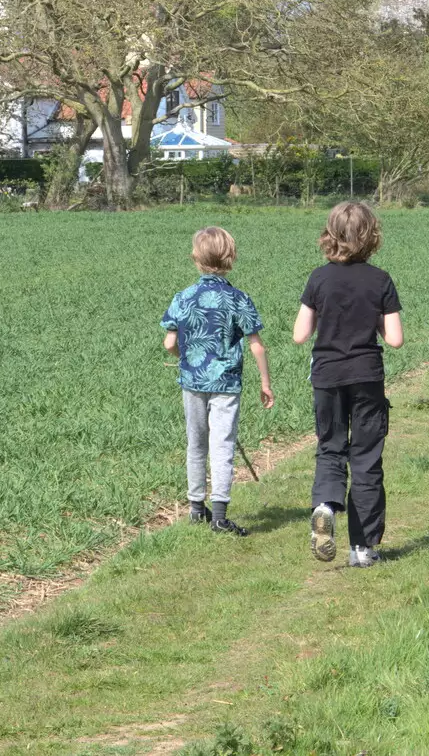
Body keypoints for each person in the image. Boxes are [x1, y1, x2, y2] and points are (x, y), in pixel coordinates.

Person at [292, 201, 403, 567]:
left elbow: (299, 334)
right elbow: (395, 339)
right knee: (367, 459)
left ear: (330, 234)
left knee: (331, 447)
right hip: (367, 376)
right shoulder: (380, 280)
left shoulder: (317, 278)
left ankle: (325, 504)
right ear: (372, 235)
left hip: (327, 377)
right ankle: (363, 549)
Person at [162, 226, 274, 536]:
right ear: (230, 258)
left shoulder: (183, 298)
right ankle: (220, 515)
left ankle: (197, 508)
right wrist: (265, 383)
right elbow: (256, 345)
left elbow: (170, 343)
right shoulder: (238, 298)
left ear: (195, 259)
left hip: (192, 382)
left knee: (196, 444)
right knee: (222, 445)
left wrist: (186, 359)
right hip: (226, 384)